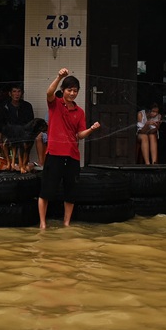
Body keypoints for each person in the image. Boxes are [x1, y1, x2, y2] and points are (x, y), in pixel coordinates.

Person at [38, 68, 101, 229]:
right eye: (69, 90)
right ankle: (43, 224)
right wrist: (59, 76)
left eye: (75, 91)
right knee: (46, 191)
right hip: (54, 153)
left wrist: (92, 129)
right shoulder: (55, 104)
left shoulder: (80, 112)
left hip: (72, 156)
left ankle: (66, 223)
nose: (72, 93)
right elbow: (49, 92)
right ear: (63, 91)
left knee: (70, 192)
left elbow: (80, 134)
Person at [0, 83, 45, 170]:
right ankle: (6, 159)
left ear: (22, 93)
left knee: (38, 136)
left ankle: (39, 163)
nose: (17, 94)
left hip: (22, 133)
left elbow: (30, 123)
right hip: (8, 132)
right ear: (10, 93)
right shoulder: (4, 106)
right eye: (14, 91)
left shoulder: (27, 106)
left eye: (19, 91)